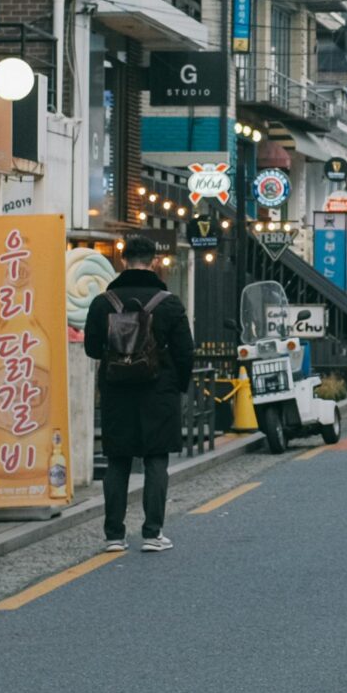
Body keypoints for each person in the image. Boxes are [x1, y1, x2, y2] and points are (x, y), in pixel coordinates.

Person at [82, 237, 194, 553]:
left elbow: (92, 348)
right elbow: (186, 352)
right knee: (156, 460)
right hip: (159, 392)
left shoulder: (103, 303)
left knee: (118, 460)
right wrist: (178, 387)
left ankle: (114, 535)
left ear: (123, 260)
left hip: (117, 391)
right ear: (154, 261)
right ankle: (152, 533)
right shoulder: (168, 303)